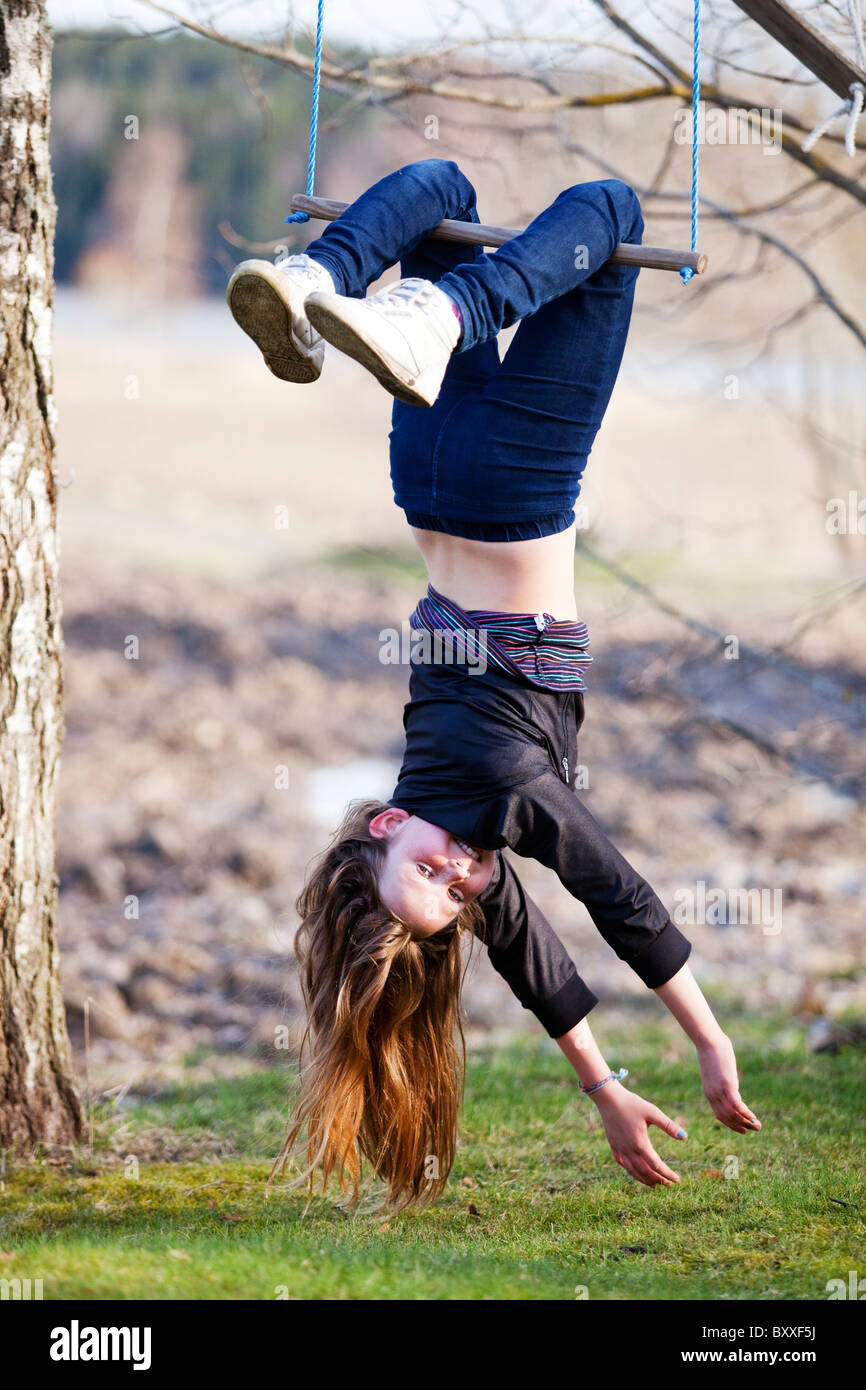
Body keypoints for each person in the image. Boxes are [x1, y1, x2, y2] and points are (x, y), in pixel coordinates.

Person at [226, 158, 761, 1212]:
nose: (466, 879)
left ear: (383, 827)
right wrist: (601, 1082)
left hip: (514, 490)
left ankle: (441, 308)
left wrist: (709, 1039)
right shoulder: (442, 800)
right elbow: (529, 955)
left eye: (433, 876)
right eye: (458, 898)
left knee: (607, 212)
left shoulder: (503, 785)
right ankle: (316, 275)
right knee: (441, 187)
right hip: (421, 470)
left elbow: (619, 899)